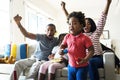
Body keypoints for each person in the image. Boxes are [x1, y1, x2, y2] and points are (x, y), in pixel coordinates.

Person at [61, 0, 112, 80]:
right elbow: (71, 21)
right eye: (85, 23)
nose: (86, 25)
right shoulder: (79, 35)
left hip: (96, 58)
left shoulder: (96, 33)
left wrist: (108, 3)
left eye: (89, 23)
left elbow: (102, 19)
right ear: (81, 26)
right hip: (81, 60)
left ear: (92, 25)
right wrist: (64, 9)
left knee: (90, 62)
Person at [10, 14, 58, 80]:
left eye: (52, 30)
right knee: (17, 63)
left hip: (43, 60)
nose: (50, 32)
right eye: (48, 30)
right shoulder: (41, 37)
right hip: (34, 58)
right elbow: (26, 34)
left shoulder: (56, 40)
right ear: (45, 31)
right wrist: (18, 23)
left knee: (33, 70)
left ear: (55, 31)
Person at [59, 11, 94, 80]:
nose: (71, 26)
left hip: (82, 67)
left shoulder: (85, 38)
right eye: (69, 24)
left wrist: (85, 59)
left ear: (81, 25)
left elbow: (91, 50)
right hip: (70, 66)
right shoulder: (67, 36)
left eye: (74, 23)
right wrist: (61, 50)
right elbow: (63, 45)